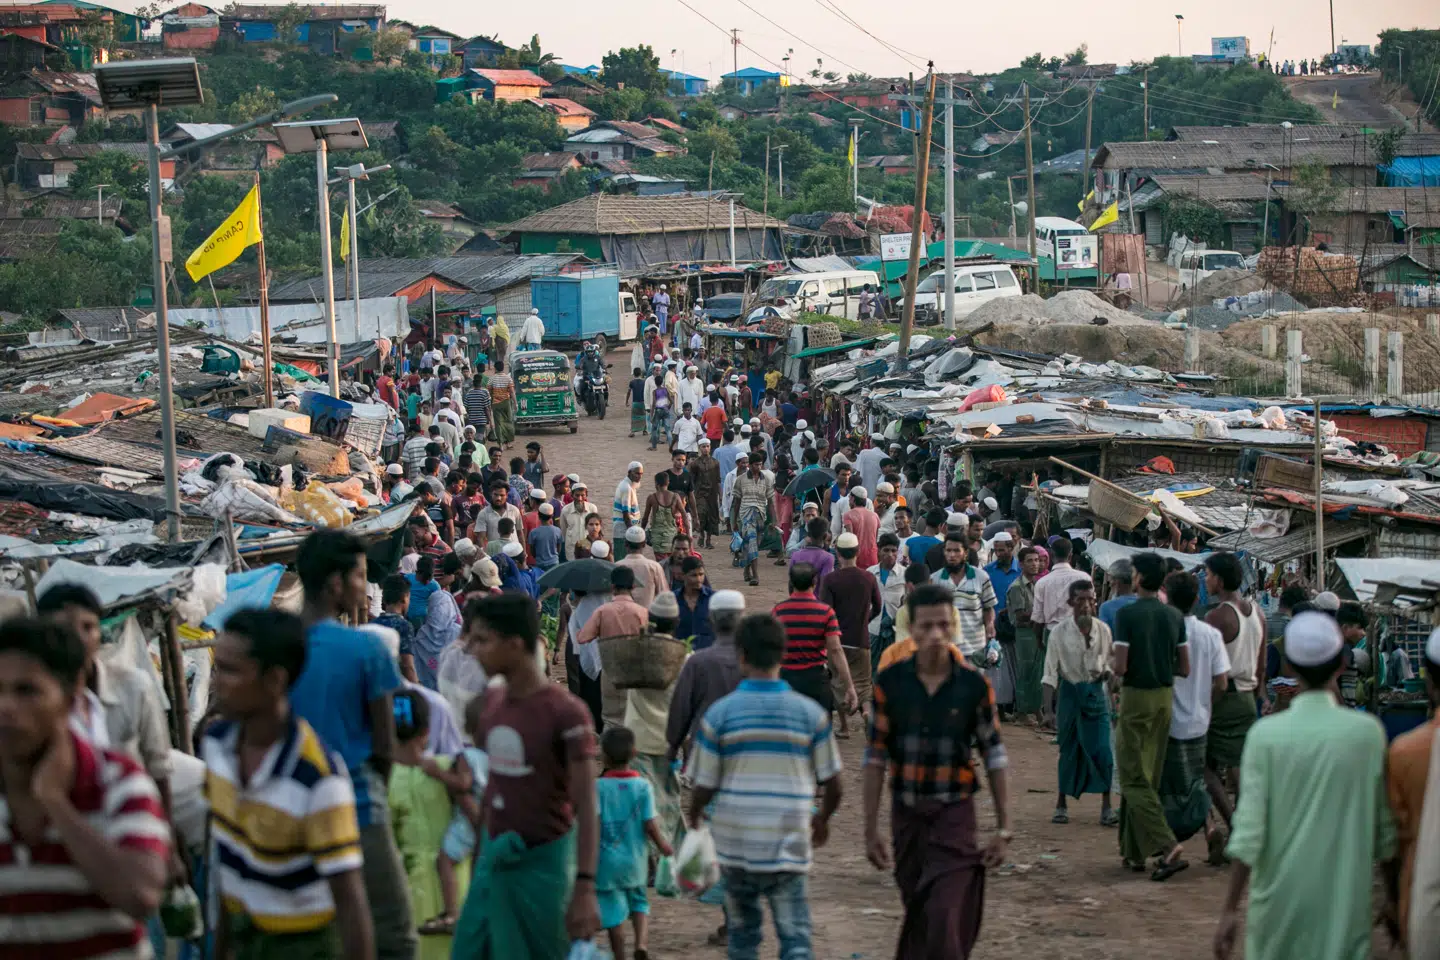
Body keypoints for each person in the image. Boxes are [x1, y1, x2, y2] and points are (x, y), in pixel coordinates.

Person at [1214, 612, 1397, 960]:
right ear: (1341, 665)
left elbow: (1250, 832)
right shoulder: (1366, 734)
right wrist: (1394, 898)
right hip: (1344, 913)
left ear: (1291, 669)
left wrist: (1228, 910)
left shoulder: (1265, 736)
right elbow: (1384, 833)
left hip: (1277, 915)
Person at [206, 608, 374, 960]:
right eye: (217, 667)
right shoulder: (216, 746)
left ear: (275, 680)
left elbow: (350, 901)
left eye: (230, 670)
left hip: (303, 945)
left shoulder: (317, 778)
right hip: (244, 933)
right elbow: (228, 865)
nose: (215, 681)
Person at [0, 616, 171, 957]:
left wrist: (54, 802)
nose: (5, 707)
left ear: (70, 695)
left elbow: (141, 895)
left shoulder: (119, 782)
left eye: (27, 691)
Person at [863, 582, 1012, 960]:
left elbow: (994, 756)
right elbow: (876, 758)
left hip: (955, 815)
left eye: (943, 625)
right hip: (907, 816)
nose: (934, 635)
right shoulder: (890, 684)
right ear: (910, 629)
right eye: (925, 626)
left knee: (945, 914)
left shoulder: (973, 686)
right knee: (919, 907)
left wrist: (1003, 827)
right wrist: (869, 829)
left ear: (953, 627)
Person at [452, 593, 601, 959]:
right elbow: (493, 790)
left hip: (544, 870)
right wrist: (477, 869)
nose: (472, 650)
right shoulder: (489, 707)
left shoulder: (566, 713)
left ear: (515, 644)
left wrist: (584, 887)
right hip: (493, 863)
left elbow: (587, 806)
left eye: (482, 640)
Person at [686, 613, 843, 960]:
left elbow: (705, 783)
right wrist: (822, 819)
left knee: (742, 940)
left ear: (741, 656)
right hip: (789, 844)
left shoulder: (720, 715)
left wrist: (695, 813)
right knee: (795, 940)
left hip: (736, 848)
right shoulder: (809, 714)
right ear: (783, 654)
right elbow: (833, 782)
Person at [291, 531, 413, 960]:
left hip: (289, 809)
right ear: (337, 583)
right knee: (395, 935)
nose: (366, 586)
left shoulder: (275, 645)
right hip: (356, 805)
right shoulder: (366, 649)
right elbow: (384, 745)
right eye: (361, 576)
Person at [37, 584, 173, 820]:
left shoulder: (134, 687)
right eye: (65, 629)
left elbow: (158, 770)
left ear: (100, 631)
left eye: (88, 627)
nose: (78, 637)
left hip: (131, 819)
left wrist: (165, 831)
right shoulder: (30, 697)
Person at [1113, 551, 1191, 882]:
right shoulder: (1175, 616)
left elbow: (1120, 667)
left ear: (1140, 578)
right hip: (1165, 696)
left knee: (1132, 777)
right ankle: (1133, 852)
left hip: (1136, 696)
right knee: (1149, 774)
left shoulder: (1127, 614)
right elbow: (1184, 667)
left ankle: (1166, 844)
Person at [1159, 570, 1231, 864]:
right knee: (1197, 780)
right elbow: (1222, 682)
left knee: (1170, 786)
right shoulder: (1209, 633)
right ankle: (1210, 826)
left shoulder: (1165, 632)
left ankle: (1170, 845)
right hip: (1200, 720)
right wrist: (1206, 704)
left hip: (1169, 719)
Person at [1041, 580, 1117, 827]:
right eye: (1081, 600)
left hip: (1096, 694)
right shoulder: (1059, 633)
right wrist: (1049, 710)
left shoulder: (1103, 630)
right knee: (1068, 749)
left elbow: (1110, 665)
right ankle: (1061, 804)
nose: (1086, 605)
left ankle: (1107, 806)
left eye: (1090, 600)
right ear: (1070, 603)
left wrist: (1110, 678)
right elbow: (1050, 673)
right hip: (1070, 695)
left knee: (1104, 751)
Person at [595, 726, 673, 960]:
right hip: (636, 860)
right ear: (634, 753)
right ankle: (641, 944)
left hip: (606, 861)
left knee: (612, 912)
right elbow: (650, 825)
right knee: (639, 903)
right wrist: (664, 848)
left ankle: (619, 954)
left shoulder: (598, 787)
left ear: (603, 756)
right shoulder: (643, 786)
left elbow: (594, 824)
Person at [1386, 626, 1440, 955]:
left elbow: (1394, 843)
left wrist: (1393, 902)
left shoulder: (1407, 751)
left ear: (1430, 684)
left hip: (1425, 905)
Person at [1203, 551, 1264, 827]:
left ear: (1218, 578)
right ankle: (1242, 821)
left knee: (1205, 766)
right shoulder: (1257, 613)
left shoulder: (1217, 617)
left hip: (1224, 697)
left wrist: (1205, 706)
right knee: (1238, 762)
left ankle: (1232, 822)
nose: (1205, 580)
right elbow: (1260, 665)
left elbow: (1210, 671)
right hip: (1248, 697)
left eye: (1207, 574)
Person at [820, 531, 883, 738]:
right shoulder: (868, 577)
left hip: (837, 640)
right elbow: (878, 606)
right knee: (864, 682)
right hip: (861, 639)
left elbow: (825, 611)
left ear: (837, 553)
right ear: (857, 552)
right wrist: (865, 621)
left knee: (837, 681)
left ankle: (844, 727)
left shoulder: (830, 580)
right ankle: (866, 711)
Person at [775, 562, 858, 717]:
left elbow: (772, 649)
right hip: (816, 680)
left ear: (791, 582)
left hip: (787, 680)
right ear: (815, 582)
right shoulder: (825, 612)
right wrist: (849, 687)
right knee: (820, 732)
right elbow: (835, 650)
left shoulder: (778, 611)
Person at [933, 532, 999, 667]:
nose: (952, 555)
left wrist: (990, 624)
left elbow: (988, 607)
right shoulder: (935, 579)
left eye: (956, 550)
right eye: (948, 550)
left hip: (975, 650)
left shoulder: (981, 577)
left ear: (966, 553)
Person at [983, 532, 1023, 712]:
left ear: (1011, 548)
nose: (999, 554)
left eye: (1002, 550)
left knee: (1018, 664)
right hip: (995, 625)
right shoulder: (988, 571)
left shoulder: (1021, 570)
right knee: (998, 666)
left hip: (1018, 625)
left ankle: (1017, 704)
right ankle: (1000, 704)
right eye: (996, 550)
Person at [1030, 537, 1091, 636]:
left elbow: (1038, 618)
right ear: (1070, 555)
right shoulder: (1084, 578)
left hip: (1052, 632)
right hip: (1077, 632)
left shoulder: (1042, 582)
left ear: (1052, 555)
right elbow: (1090, 609)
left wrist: (1038, 640)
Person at [729, 453, 772, 587]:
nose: (758, 467)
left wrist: (774, 520)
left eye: (760, 464)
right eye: (755, 464)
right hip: (746, 515)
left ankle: (747, 569)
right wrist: (734, 521)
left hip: (760, 515)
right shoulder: (740, 480)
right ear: (750, 465)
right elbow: (736, 502)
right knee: (752, 541)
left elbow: (770, 502)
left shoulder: (766, 480)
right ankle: (756, 575)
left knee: (753, 544)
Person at [868, 532, 906, 673]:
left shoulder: (904, 574)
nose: (890, 554)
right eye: (886, 550)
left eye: (893, 550)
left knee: (894, 670)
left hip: (896, 631)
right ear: (879, 551)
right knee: (873, 669)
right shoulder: (870, 573)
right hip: (873, 629)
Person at [618, 526, 671, 608]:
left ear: (625, 544)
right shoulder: (654, 566)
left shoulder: (617, 566)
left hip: (622, 615)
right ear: (644, 544)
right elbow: (664, 594)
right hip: (647, 617)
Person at [640, 470, 683, 562]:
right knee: (672, 563)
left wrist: (642, 532)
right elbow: (684, 516)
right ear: (668, 482)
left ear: (656, 483)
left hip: (657, 538)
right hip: (671, 537)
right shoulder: (675, 496)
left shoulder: (652, 498)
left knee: (661, 563)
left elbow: (645, 519)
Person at [674, 555, 715, 650]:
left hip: (706, 655)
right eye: (694, 575)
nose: (698, 579)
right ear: (683, 576)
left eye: (701, 575)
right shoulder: (673, 599)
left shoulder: (714, 599)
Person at [691, 438, 721, 549]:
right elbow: (691, 480)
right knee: (701, 514)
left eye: (707, 446)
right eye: (703, 447)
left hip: (712, 494)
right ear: (700, 448)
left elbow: (718, 480)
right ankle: (702, 535)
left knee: (711, 516)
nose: (706, 449)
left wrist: (720, 496)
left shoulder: (715, 462)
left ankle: (708, 539)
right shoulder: (695, 464)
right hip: (700, 493)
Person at [1098, 558, 1137, 633]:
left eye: (1111, 581)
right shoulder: (1146, 604)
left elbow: (1103, 638)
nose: (1110, 585)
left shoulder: (1107, 607)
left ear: (1117, 582)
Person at [614, 462, 644, 555]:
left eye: (641, 474)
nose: (639, 476)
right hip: (624, 533)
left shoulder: (631, 486)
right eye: (637, 473)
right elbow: (626, 513)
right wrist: (632, 533)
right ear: (629, 472)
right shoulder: (626, 488)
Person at [528, 502, 564, 572]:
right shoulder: (557, 530)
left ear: (539, 515)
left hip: (539, 564)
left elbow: (532, 551)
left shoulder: (534, 532)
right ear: (552, 516)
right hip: (554, 563)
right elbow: (559, 548)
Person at [645, 368, 673, 451]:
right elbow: (671, 401)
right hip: (665, 410)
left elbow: (654, 403)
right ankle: (670, 447)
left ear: (655, 382)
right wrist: (668, 407)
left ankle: (654, 446)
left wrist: (651, 414)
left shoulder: (655, 391)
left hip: (658, 410)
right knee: (668, 430)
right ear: (662, 382)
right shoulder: (665, 390)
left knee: (654, 428)